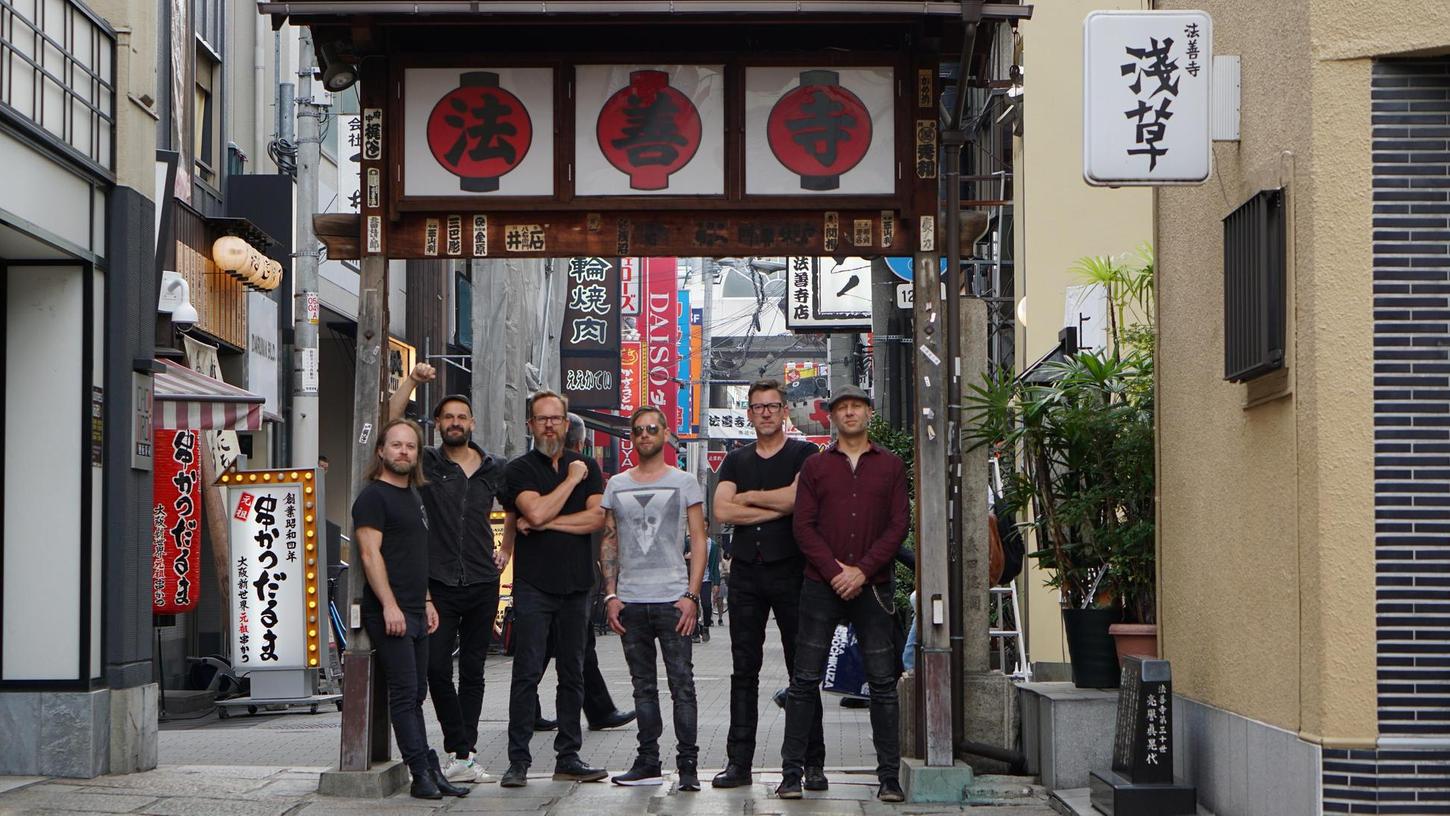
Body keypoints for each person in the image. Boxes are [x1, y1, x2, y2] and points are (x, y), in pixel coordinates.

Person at [778, 385, 910, 803]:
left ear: (870, 412)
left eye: (856, 406)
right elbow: (804, 527)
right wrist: (837, 571)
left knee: (883, 684)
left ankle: (889, 777)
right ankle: (791, 773)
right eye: (841, 408)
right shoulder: (817, 467)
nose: (849, 413)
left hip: (873, 587)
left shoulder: (890, 466)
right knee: (804, 681)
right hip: (822, 585)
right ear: (831, 417)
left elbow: (897, 526)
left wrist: (863, 571)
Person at [387, 363, 505, 785]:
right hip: (436, 584)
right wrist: (414, 382)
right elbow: (392, 423)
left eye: (462, 417)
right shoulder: (427, 463)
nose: (455, 423)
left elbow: (517, 507)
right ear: (436, 425)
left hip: (482, 581)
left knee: (474, 670)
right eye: (447, 417)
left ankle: (463, 754)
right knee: (436, 668)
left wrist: (506, 548)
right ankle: (460, 743)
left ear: (472, 423)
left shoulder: (494, 467)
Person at [710, 378, 825, 790]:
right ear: (749, 413)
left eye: (772, 406)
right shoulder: (735, 460)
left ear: (785, 411)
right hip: (745, 573)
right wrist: (773, 505)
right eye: (757, 407)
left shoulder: (805, 454)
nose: (765, 413)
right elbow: (721, 510)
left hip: (793, 571)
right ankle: (738, 764)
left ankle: (812, 763)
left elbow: (798, 502)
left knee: (802, 670)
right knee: (744, 671)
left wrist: (749, 499)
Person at [352, 419, 469, 801]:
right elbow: (370, 555)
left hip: (417, 610)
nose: (403, 451)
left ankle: (430, 768)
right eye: (396, 445)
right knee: (404, 694)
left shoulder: (415, 496)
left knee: (417, 693)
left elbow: (414, 557)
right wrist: (389, 606)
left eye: (411, 446)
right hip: (390, 612)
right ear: (381, 451)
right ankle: (420, 773)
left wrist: (428, 601)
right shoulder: (373, 497)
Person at [499, 390, 609, 788]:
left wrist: (545, 522)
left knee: (572, 673)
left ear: (566, 424)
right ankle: (518, 761)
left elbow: (596, 519)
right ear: (530, 425)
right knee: (526, 672)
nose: (549, 425)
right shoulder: (520, 470)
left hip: (578, 585)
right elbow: (536, 509)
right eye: (541, 419)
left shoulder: (589, 466)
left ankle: (569, 755)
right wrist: (570, 483)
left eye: (555, 419)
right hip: (533, 586)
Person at [600, 405, 708, 790]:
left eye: (651, 429)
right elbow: (609, 541)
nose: (644, 435)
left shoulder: (684, 482)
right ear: (631, 438)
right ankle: (648, 761)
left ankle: (689, 767)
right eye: (637, 430)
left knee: (683, 684)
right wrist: (611, 595)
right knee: (642, 685)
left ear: (664, 434)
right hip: (630, 600)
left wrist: (692, 595)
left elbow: (699, 539)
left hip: (672, 599)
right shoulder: (616, 485)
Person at [527, 414, 636, 732]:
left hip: (576, 575)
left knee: (576, 646)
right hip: (553, 575)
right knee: (547, 648)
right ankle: (534, 709)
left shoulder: (580, 476)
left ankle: (598, 709)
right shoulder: (568, 476)